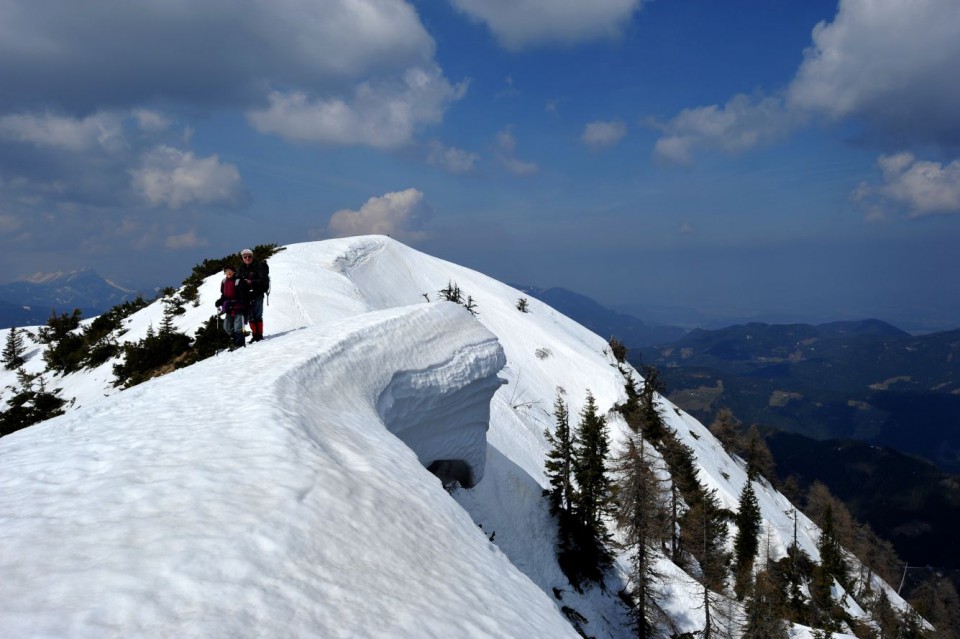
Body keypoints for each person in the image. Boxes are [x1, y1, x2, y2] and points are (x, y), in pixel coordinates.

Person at [237, 248, 270, 342]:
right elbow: (238, 281)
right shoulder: (241, 268)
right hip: (247, 296)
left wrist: (251, 282)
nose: (247, 258)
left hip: (258, 294)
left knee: (258, 315)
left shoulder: (259, 266)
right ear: (242, 258)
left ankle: (259, 335)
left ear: (252, 257)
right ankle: (255, 335)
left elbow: (264, 280)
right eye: (245, 257)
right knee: (251, 316)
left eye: (249, 256)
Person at [215, 265, 247, 350]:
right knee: (227, 327)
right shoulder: (224, 281)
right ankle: (235, 341)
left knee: (238, 327)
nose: (228, 272)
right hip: (229, 308)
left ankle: (239, 344)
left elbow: (242, 296)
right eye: (226, 271)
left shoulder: (238, 281)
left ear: (234, 272)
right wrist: (220, 301)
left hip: (238, 307)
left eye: (230, 270)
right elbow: (224, 295)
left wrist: (241, 304)